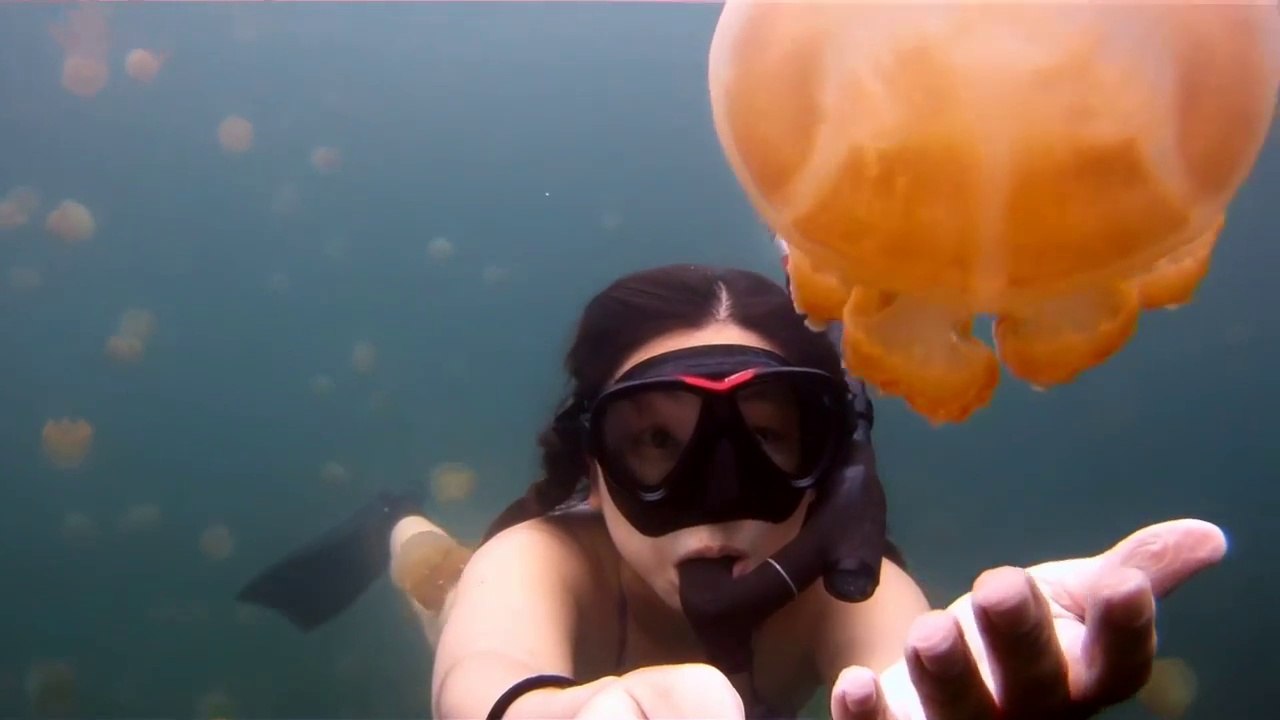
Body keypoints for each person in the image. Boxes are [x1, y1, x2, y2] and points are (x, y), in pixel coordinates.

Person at [238, 263, 1227, 720]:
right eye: (655, 442)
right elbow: (480, 682)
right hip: (498, 589)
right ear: (592, 463)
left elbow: (900, 676)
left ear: (833, 463)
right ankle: (390, 522)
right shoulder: (537, 561)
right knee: (438, 574)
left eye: (762, 439)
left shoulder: (853, 596)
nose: (717, 497)